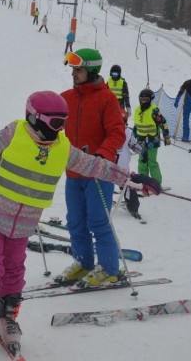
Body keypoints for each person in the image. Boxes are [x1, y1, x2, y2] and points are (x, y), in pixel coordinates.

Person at [0, 91, 160, 359]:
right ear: (34, 119)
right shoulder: (13, 134)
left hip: (24, 223)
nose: (59, 130)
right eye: (56, 123)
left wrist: (132, 178)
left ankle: (6, 318)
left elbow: (96, 166)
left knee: (14, 270)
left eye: (63, 124)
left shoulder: (63, 149)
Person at [56, 48, 126, 289]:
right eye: (73, 69)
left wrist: (101, 155)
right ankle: (84, 263)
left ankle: (109, 269)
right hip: (73, 172)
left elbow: (117, 133)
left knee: (98, 221)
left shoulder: (107, 99)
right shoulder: (66, 98)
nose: (74, 73)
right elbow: (51, 125)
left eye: (79, 69)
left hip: (97, 173)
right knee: (75, 221)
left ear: (92, 70)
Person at [133, 88, 171, 185]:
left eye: (146, 100)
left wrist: (166, 137)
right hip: (140, 141)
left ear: (150, 100)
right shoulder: (137, 110)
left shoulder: (154, 111)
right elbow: (136, 125)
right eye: (142, 100)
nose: (144, 102)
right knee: (142, 161)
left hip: (152, 141)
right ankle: (143, 181)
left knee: (151, 162)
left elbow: (163, 123)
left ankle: (156, 182)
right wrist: (132, 137)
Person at [116, 109, 145, 220]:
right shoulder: (126, 132)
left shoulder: (127, 132)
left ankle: (133, 208)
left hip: (118, 164)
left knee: (126, 185)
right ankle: (133, 207)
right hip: (113, 164)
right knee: (126, 184)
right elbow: (133, 145)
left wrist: (142, 151)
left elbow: (133, 145)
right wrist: (141, 150)